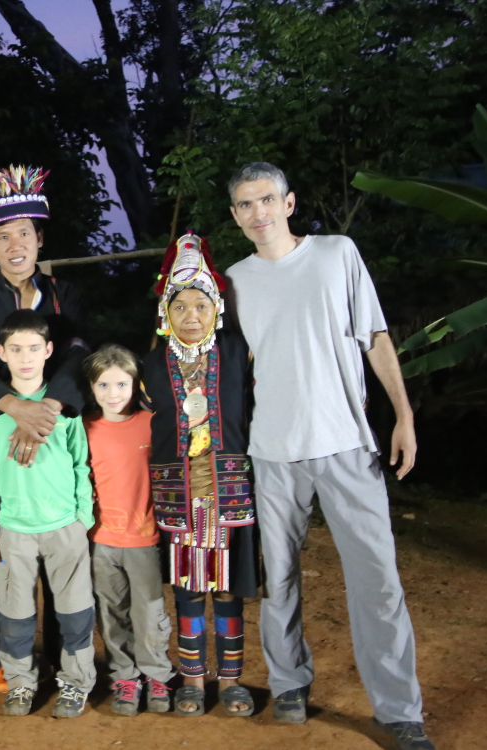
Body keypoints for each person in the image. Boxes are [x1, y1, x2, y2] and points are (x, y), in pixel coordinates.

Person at [225, 162, 432, 750]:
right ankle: (289, 682)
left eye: (266, 199)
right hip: (272, 451)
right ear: (236, 216)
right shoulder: (233, 282)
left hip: (346, 442)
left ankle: (399, 710)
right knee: (279, 579)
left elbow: (375, 336)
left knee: (378, 581)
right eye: (245, 205)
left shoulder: (337, 254)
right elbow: (217, 364)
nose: (257, 212)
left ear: (288, 203)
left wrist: (403, 415)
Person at [0, 165, 88, 684]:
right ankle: (2, 658)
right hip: (2, 428)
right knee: (3, 552)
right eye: (3, 236)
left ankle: (60, 656)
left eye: (24, 234)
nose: (15, 244)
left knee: (60, 547)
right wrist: (15, 410)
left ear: (39, 239)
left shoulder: (63, 294)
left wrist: (47, 412)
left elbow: (78, 353)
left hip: (56, 429)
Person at [144, 232, 259, 717]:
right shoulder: (150, 365)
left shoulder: (239, 354)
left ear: (217, 308)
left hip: (231, 494)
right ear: (166, 313)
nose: (191, 316)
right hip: (179, 497)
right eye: (181, 306)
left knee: (230, 587)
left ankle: (231, 680)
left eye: (201, 305)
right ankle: (192, 680)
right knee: (189, 589)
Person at [0, 310, 96, 718]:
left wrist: (83, 516)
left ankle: (76, 682)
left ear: (48, 351)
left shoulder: (64, 408)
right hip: (14, 529)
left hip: (64, 526)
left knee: (75, 612)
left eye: (33, 349)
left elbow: (81, 463)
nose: (25, 358)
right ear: (1, 353)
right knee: (15, 615)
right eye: (16, 349)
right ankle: (21, 682)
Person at [82, 344, 174, 716]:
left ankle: (157, 675)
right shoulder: (85, 427)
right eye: (103, 385)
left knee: (150, 612)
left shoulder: (152, 423)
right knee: (111, 611)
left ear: (136, 385)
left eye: (121, 384)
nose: (113, 394)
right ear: (91, 387)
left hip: (143, 538)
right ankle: (124, 676)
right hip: (102, 539)